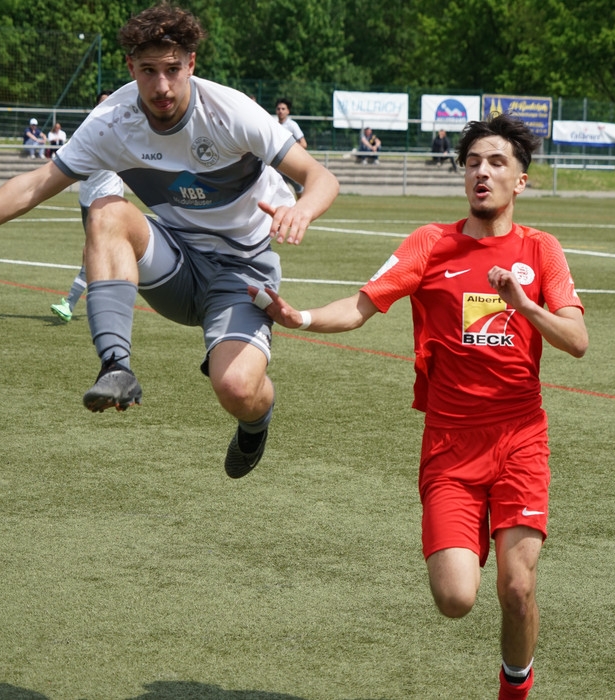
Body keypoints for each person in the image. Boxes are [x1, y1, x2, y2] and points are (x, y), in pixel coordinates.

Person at [0, 2, 340, 479]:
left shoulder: (230, 112)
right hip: (175, 262)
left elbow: (320, 177)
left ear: (191, 64)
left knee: (237, 389)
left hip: (241, 271)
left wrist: (302, 209)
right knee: (105, 209)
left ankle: (255, 424)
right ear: (130, 67)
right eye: (148, 71)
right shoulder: (112, 121)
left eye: (172, 69)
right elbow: (34, 185)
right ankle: (116, 367)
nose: (161, 86)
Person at [250, 114, 587, 700]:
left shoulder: (541, 249)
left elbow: (577, 340)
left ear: (520, 181)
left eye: (497, 163)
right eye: (473, 162)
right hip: (450, 445)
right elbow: (360, 306)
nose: (482, 172)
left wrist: (523, 304)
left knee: (517, 588)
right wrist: (299, 316)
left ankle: (514, 689)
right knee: (455, 598)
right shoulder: (430, 243)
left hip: (520, 439)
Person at [51, 92, 124, 323]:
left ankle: (70, 303)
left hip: (108, 201)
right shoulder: (87, 130)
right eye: (102, 103)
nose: (107, 106)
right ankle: (108, 302)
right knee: (100, 253)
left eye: (110, 102)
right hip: (87, 201)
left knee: (94, 251)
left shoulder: (121, 130)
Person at [274, 98, 306, 194]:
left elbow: (303, 144)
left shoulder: (292, 125)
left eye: (283, 109)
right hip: (278, 164)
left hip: (291, 163)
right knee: (277, 192)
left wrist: (287, 150)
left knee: (299, 191)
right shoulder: (274, 125)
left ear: (288, 111)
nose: (280, 111)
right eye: (278, 109)